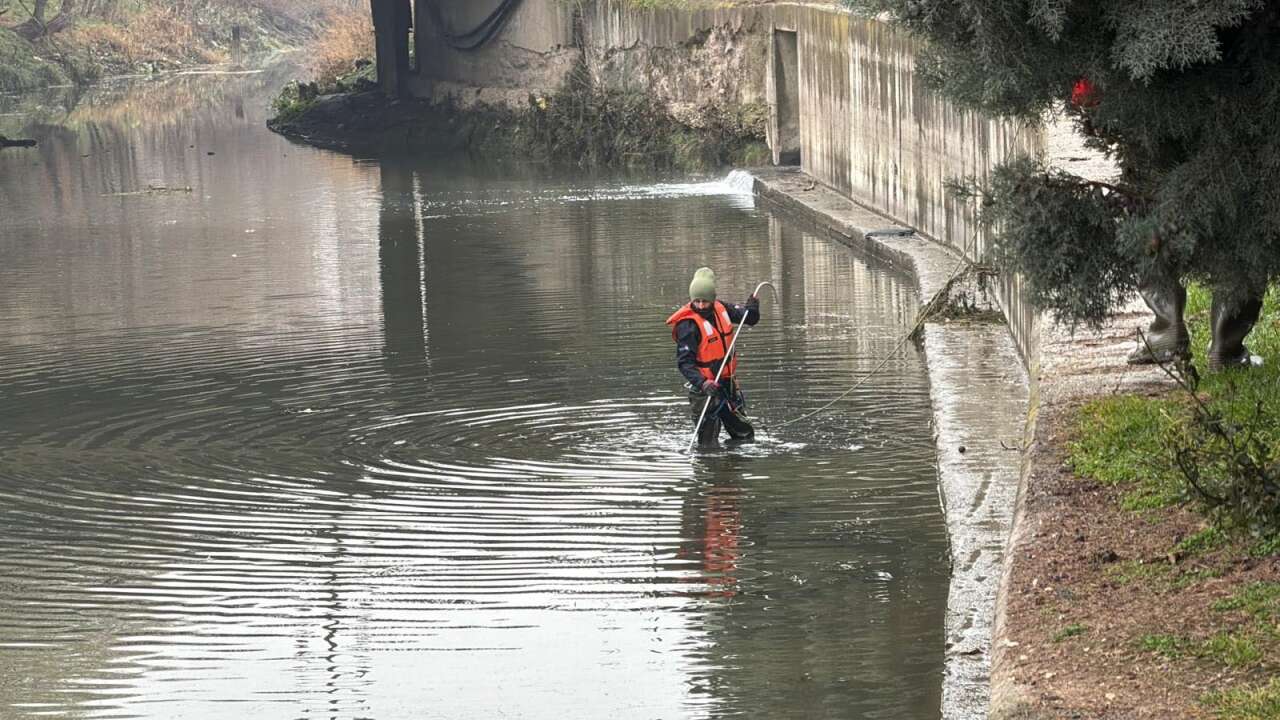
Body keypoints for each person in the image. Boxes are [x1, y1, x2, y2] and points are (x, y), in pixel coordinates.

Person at [666, 267, 761, 445]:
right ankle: (708, 461)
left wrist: (753, 309)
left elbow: (749, 319)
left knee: (745, 435)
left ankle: (738, 459)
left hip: (727, 385)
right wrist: (703, 383)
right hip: (705, 390)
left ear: (713, 299)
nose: (701, 306)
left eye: (705, 301)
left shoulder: (721, 308)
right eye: (697, 301)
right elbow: (684, 363)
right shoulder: (688, 325)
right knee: (708, 445)